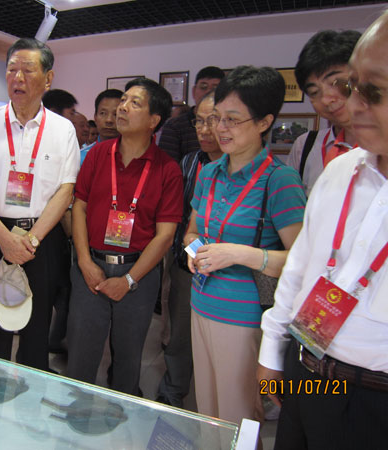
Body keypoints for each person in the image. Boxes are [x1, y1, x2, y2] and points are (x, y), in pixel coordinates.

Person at [258, 12, 388, 449]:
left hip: (373, 394)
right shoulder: (340, 170)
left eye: (373, 92)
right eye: (353, 86)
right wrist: (272, 353)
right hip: (306, 365)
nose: (350, 104)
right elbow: (300, 267)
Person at [185, 66, 306, 426]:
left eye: (233, 120)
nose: (220, 128)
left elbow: (302, 262)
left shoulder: (279, 180)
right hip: (200, 302)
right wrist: (195, 252)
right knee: (207, 411)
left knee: (238, 416)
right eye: (216, 118)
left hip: (245, 316)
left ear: (264, 122)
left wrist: (238, 253)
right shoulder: (210, 172)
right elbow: (191, 233)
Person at [0, 38, 79, 371]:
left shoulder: (63, 130)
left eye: (28, 70)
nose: (18, 78)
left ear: (48, 78)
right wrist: (4, 238)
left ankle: (32, 387)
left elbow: (65, 190)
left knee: (37, 324)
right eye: (12, 70)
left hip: (42, 238)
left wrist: (32, 240)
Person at [66, 77, 183, 396]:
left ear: (154, 120)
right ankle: (76, 408)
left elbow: (165, 235)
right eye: (123, 100)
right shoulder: (98, 154)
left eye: (135, 103)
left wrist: (129, 280)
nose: (122, 107)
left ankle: (121, 408)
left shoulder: (167, 169)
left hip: (138, 273)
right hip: (91, 266)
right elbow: (79, 207)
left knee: (129, 353)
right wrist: (84, 262)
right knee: (81, 349)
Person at [156, 91, 223, 407]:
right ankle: (174, 389)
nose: (204, 130)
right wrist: (191, 252)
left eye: (213, 121)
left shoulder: (259, 172)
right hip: (189, 262)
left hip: (234, 274)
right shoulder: (190, 162)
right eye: (199, 121)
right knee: (180, 333)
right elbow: (181, 217)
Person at [287, 30, 361, 195]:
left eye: (336, 82)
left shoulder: (380, 146)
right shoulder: (305, 147)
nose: (327, 99)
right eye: (314, 92)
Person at [158, 66, 226, 163]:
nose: (208, 92)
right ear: (194, 91)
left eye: (215, 88)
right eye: (203, 87)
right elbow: (168, 166)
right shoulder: (174, 126)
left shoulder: (228, 125)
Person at [80, 88, 123, 165]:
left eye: (116, 114)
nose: (109, 120)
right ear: (95, 117)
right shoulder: (82, 157)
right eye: (103, 113)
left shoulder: (134, 156)